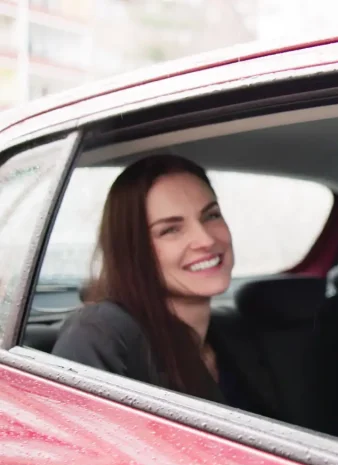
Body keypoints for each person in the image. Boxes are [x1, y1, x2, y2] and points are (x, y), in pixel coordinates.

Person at [52, 154, 276, 416]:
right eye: (170, 230)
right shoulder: (100, 334)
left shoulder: (231, 337)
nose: (205, 239)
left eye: (211, 215)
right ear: (132, 250)